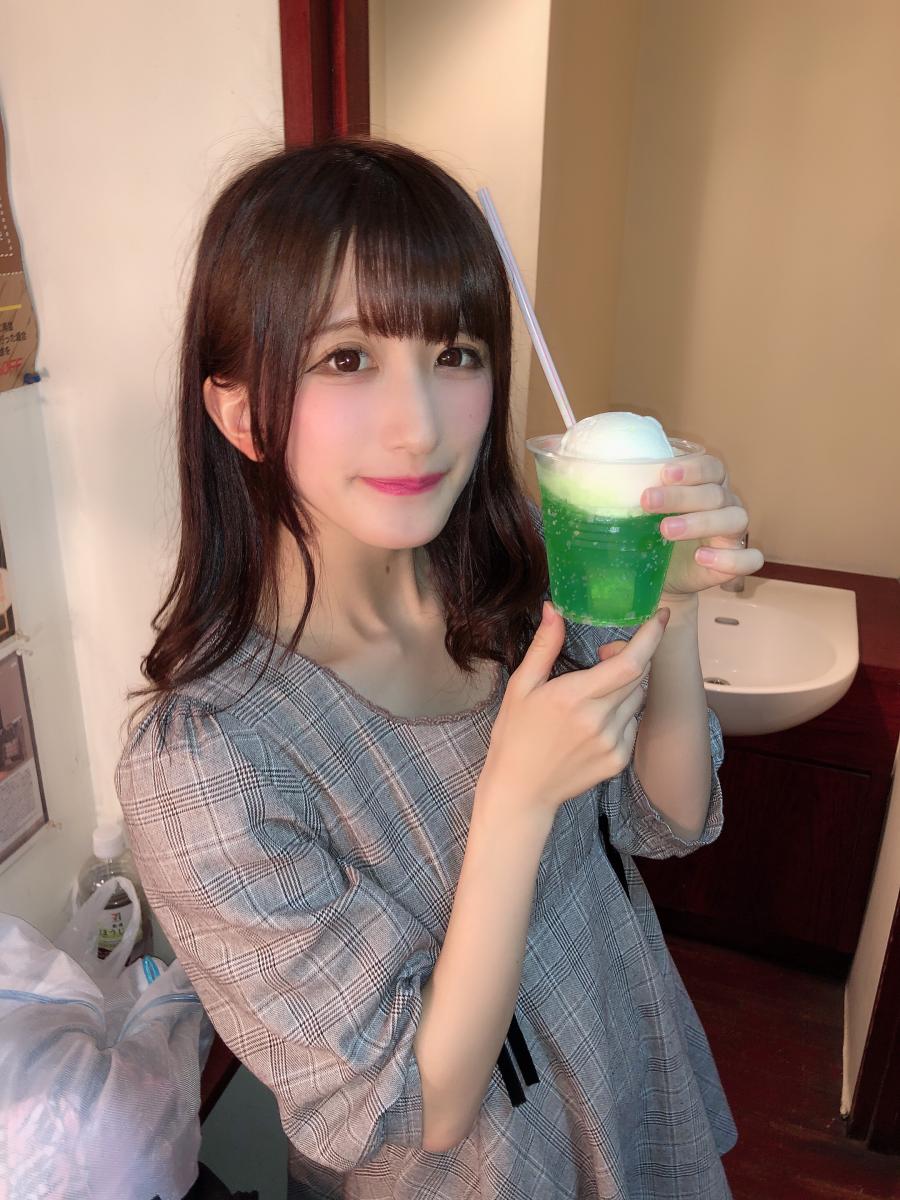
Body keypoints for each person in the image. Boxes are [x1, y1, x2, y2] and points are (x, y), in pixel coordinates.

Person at [116, 138, 762, 1200]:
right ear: (238, 412)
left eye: (456, 353)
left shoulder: (524, 581)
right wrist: (515, 797)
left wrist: (672, 606)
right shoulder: (208, 765)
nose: (418, 426)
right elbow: (419, 1110)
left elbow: (669, 820)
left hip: (630, 1073)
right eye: (346, 359)